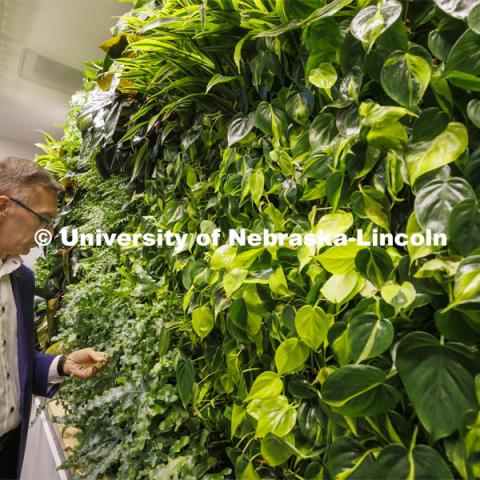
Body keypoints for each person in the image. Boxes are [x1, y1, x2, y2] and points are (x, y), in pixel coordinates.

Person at [0, 156, 108, 479]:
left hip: (8, 451)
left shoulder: (21, 280)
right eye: (42, 219)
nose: (46, 232)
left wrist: (62, 364)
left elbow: (13, 365)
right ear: (4, 206)